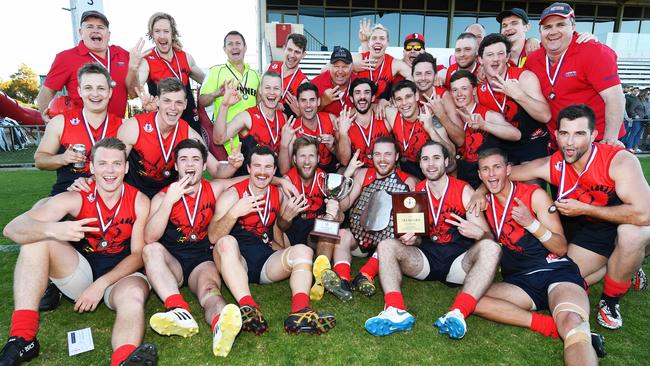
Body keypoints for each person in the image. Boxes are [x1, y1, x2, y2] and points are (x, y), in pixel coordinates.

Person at [475, 104, 650, 330]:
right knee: (568, 275)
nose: (570, 142)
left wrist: (585, 209)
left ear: (594, 135)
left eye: (579, 134)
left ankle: (611, 300)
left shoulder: (618, 160)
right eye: (565, 133)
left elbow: (644, 213)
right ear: (556, 135)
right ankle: (626, 263)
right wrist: (481, 190)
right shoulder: (554, 163)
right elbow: (503, 174)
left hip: (623, 222)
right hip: (586, 231)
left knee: (631, 236)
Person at [1, 137, 157, 366]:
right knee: (37, 239)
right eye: (103, 163)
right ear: (92, 167)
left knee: (133, 297)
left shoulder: (139, 201)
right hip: (79, 272)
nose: (110, 170)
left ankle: (124, 359)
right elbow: (12, 228)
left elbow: (137, 255)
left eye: (116, 163)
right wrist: (54, 229)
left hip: (121, 277)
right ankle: (23, 337)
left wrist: (101, 284)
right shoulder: (76, 196)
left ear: (126, 167)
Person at [473, 147, 600, 365]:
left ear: (509, 169)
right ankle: (549, 325)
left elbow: (561, 248)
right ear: (479, 175)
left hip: (554, 271)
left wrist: (531, 223)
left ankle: (568, 328)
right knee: (471, 299)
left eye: (497, 167)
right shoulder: (483, 201)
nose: (492, 174)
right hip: (520, 281)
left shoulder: (535, 196)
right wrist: (478, 197)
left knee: (571, 322)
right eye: (485, 169)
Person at [365, 141, 500, 339]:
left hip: (458, 263)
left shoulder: (463, 190)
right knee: (386, 245)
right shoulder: (414, 194)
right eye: (425, 159)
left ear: (446, 161)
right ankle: (396, 310)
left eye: (436, 158)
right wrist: (412, 240)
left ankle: (458, 313)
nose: (431, 164)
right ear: (419, 164)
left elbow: (489, 238)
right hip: (426, 260)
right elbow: (418, 239)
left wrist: (478, 233)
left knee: (491, 248)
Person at [208, 145, 336, 335]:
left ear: (274, 171)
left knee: (303, 250)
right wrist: (234, 213)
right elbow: (213, 236)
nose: (262, 172)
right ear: (249, 169)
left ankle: (300, 311)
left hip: (264, 261)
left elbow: (279, 228)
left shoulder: (277, 193)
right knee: (226, 242)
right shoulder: (232, 195)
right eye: (257, 166)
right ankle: (249, 307)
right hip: (236, 262)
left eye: (268, 167)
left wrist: (287, 219)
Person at [142, 139, 246, 357]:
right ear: (176, 166)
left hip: (201, 260)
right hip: (173, 262)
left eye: (196, 159)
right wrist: (169, 202)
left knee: (211, 292)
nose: (190, 164)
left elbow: (250, 178)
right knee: (150, 250)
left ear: (204, 166)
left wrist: (280, 181)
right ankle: (179, 310)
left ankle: (221, 325)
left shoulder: (214, 188)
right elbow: (150, 237)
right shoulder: (162, 196)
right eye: (184, 159)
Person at [322, 139, 418, 302]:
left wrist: (411, 234)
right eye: (377, 154)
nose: (382, 159)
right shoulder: (363, 174)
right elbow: (345, 206)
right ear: (372, 156)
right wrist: (346, 178)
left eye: (387, 154)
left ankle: (365, 274)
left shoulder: (408, 182)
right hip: (361, 235)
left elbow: (411, 223)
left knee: (394, 239)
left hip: (388, 241)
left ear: (396, 157)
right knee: (342, 234)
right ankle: (343, 282)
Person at [118, 77, 242, 197]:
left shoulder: (189, 134)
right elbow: (114, 166)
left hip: (168, 195)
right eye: (167, 101)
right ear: (157, 101)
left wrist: (232, 165)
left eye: (178, 102)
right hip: (134, 192)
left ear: (185, 104)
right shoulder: (133, 127)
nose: (173, 108)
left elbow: (216, 169)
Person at [524, 2, 625, 148]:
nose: (553, 31)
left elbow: (615, 98)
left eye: (561, 25)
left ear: (573, 27)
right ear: (540, 32)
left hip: (596, 140)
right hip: (559, 143)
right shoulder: (534, 59)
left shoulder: (593, 51)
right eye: (547, 27)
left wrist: (610, 141)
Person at [35, 63, 123, 196]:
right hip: (69, 190)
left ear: (109, 92)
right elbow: (40, 160)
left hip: (108, 193)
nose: (95, 94)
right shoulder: (60, 122)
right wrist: (63, 159)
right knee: (38, 211)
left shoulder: (123, 126)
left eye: (101, 88)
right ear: (79, 91)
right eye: (88, 88)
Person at [36, 11, 131, 121]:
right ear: (81, 32)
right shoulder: (66, 57)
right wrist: (46, 119)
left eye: (100, 27)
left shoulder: (122, 54)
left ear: (108, 34)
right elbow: (47, 91)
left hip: (117, 128)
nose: (95, 30)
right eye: (90, 26)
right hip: (81, 131)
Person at [477, 33, 551, 174]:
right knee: (494, 181)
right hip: (503, 143)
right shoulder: (479, 89)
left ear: (507, 57)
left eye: (500, 54)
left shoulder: (524, 77)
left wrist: (518, 94)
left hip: (531, 140)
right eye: (490, 54)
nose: (495, 59)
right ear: (480, 59)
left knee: (531, 186)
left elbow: (545, 116)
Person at [127, 12, 206, 133]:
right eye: (157, 31)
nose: (162, 36)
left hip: (190, 123)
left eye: (166, 31)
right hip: (165, 126)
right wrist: (132, 68)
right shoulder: (147, 61)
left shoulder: (186, 57)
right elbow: (133, 93)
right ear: (152, 35)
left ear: (173, 34)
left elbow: (207, 82)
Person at [449, 70, 520, 188]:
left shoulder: (488, 115)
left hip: (488, 181)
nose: (459, 94)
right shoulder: (454, 117)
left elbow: (516, 134)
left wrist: (484, 125)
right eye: (455, 90)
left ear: (475, 91)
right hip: (464, 180)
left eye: (464, 88)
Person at [212, 71, 291, 174]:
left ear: (281, 92)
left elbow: (284, 170)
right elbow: (218, 139)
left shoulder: (284, 119)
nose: (272, 92)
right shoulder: (247, 117)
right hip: (248, 180)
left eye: (276, 88)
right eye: (267, 88)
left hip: (273, 180)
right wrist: (225, 105)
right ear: (260, 91)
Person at [199, 31, 261, 154]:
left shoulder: (255, 75)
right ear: (224, 49)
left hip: (251, 137)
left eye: (238, 43)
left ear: (245, 47)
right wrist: (216, 93)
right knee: (229, 173)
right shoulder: (216, 71)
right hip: (225, 138)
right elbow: (202, 101)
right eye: (230, 44)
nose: (234, 47)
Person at [385, 80, 454, 179]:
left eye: (408, 97)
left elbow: (451, 156)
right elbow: (371, 107)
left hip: (428, 169)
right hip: (404, 168)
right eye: (399, 99)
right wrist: (381, 103)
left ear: (416, 96)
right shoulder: (392, 114)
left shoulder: (430, 118)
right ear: (395, 102)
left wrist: (430, 130)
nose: (404, 103)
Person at [411, 53, 466, 148]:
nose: (423, 78)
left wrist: (441, 115)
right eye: (418, 74)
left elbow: (460, 140)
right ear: (412, 76)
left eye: (428, 73)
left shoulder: (444, 96)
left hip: (441, 154)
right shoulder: (408, 96)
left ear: (435, 75)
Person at [336, 78, 393, 167]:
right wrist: (343, 133)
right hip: (360, 171)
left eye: (366, 92)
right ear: (351, 99)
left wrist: (383, 101)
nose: (362, 97)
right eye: (357, 93)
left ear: (373, 98)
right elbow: (344, 161)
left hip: (385, 169)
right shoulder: (344, 123)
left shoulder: (385, 118)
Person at [354, 24, 412, 102]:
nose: (378, 41)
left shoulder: (393, 64)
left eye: (382, 38)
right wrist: (351, 66)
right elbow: (334, 67)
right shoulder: (358, 59)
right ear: (369, 43)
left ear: (387, 43)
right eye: (374, 38)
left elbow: (412, 76)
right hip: (361, 107)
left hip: (382, 108)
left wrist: (398, 97)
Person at [267, 33, 309, 118]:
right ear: (284, 48)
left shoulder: (303, 82)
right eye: (289, 49)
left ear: (303, 54)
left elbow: (303, 115)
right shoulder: (271, 67)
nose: (292, 55)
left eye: (297, 52)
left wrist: (297, 112)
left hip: (285, 125)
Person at [311, 47, 357, 117]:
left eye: (345, 67)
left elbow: (372, 105)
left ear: (352, 66)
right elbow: (304, 115)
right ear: (330, 66)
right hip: (324, 127)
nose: (340, 71)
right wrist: (322, 102)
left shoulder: (360, 83)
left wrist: (354, 111)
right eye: (336, 66)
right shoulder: (315, 84)